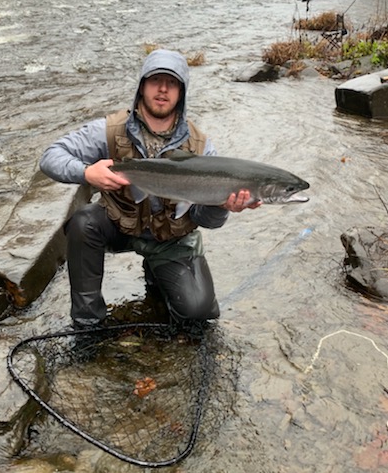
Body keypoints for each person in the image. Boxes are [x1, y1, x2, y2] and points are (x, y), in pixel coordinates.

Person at [39, 49, 260, 332]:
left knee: (198, 313)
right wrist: (86, 173)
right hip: (118, 225)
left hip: (172, 238)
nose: (163, 89)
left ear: (182, 92)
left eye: (172, 83)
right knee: (84, 222)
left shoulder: (202, 149)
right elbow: (51, 156)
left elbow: (206, 221)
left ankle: (158, 273)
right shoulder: (109, 130)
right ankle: (87, 322)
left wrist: (222, 205)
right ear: (142, 86)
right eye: (155, 80)